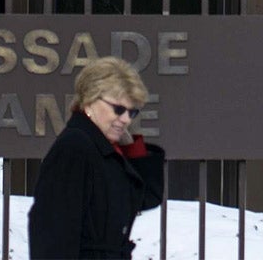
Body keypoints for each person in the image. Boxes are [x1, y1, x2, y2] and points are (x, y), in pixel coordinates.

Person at [29, 56, 167, 259]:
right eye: (118, 109)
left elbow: (146, 198)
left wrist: (133, 149)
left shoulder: (105, 149)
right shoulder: (74, 149)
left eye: (132, 112)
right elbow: (53, 235)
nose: (126, 119)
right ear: (90, 101)